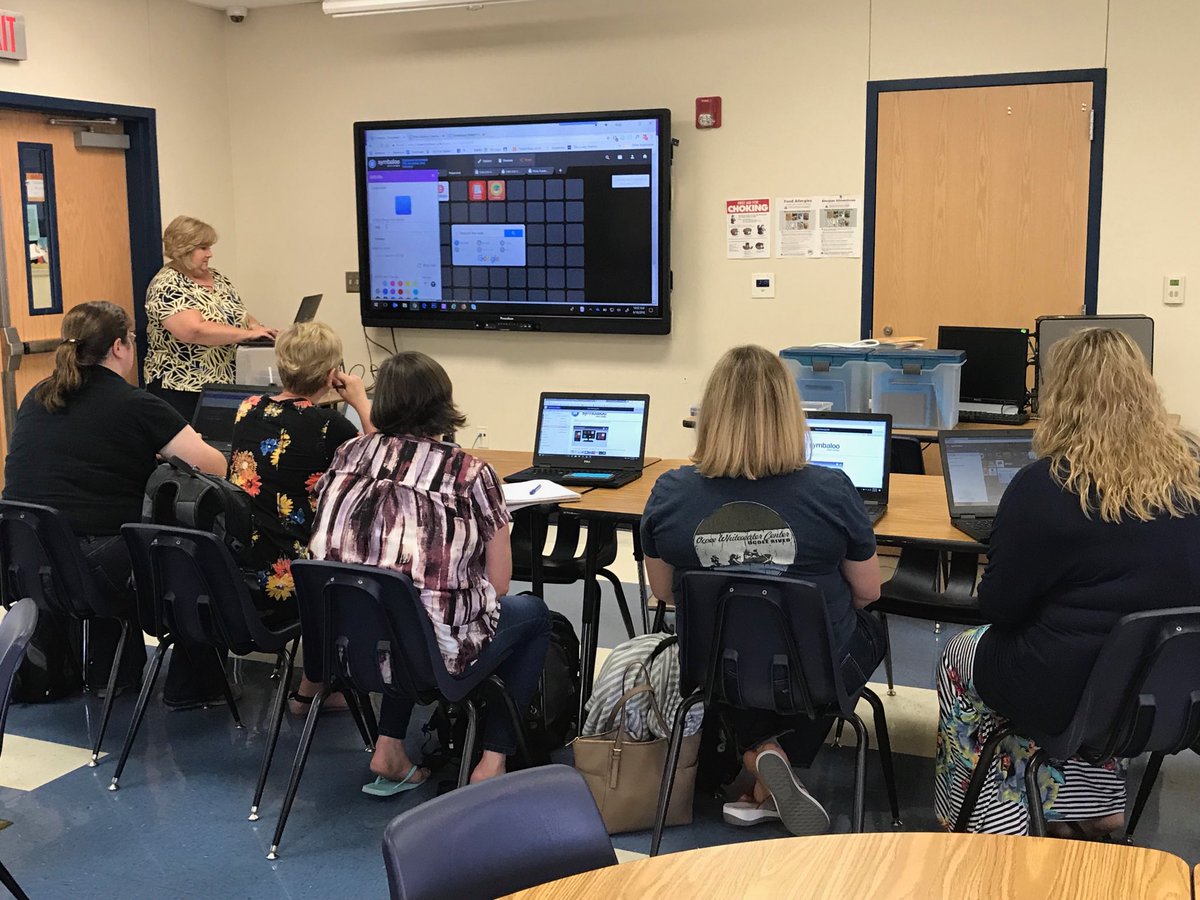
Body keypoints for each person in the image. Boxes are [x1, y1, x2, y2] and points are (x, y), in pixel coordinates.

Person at [935, 328, 1200, 837]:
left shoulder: (1047, 485)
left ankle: (982, 821)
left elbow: (1001, 608)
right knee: (1093, 664)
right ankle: (1095, 802)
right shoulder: (1189, 480)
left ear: (1062, 400)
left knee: (960, 655)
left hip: (1064, 689)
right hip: (1168, 688)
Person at [640, 344, 886, 836]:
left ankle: (759, 760)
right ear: (790, 416)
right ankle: (778, 759)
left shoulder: (671, 492)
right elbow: (868, 591)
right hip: (813, 676)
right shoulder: (832, 490)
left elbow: (666, 593)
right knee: (870, 628)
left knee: (737, 638)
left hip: (714, 671)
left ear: (709, 418)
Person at [308, 351, 550, 794]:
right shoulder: (470, 473)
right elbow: (498, 586)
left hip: (345, 650)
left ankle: (389, 747)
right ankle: (492, 760)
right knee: (533, 615)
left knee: (397, 601)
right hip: (431, 658)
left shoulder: (346, 455)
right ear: (444, 405)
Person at [3, 301, 226, 694]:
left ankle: (105, 676)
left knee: (104, 538)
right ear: (120, 347)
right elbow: (214, 467)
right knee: (191, 548)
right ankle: (195, 686)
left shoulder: (37, 396)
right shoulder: (135, 404)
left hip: (22, 561)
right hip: (93, 568)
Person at [227, 321, 373, 714]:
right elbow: (383, 462)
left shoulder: (248, 409)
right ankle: (312, 687)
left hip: (240, 563)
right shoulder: (330, 427)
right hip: (295, 575)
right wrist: (360, 401)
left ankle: (316, 681)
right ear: (331, 375)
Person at [143, 215, 276, 421]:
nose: (210, 254)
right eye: (203, 248)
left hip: (223, 385)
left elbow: (238, 311)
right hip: (183, 388)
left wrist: (258, 328)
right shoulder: (167, 284)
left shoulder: (217, 277)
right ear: (183, 248)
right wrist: (247, 335)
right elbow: (193, 330)